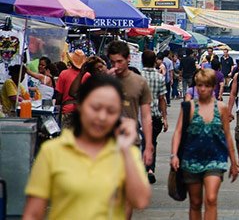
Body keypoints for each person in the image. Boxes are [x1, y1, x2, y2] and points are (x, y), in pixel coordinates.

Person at [22, 75, 151, 219]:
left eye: (111, 111)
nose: (102, 117)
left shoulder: (127, 153)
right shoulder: (53, 151)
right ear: (80, 105)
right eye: (95, 107)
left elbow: (140, 200)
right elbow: (33, 213)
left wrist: (125, 149)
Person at [171, 69, 238, 220]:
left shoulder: (221, 108)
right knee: (195, 202)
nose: (203, 89)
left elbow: (227, 135)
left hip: (215, 159)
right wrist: (174, 154)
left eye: (207, 86)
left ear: (213, 87)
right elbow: (178, 132)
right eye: (200, 85)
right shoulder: (188, 107)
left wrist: (234, 162)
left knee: (211, 198)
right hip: (191, 159)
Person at [106, 41, 153, 169]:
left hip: (131, 141)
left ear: (128, 59)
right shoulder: (105, 81)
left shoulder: (140, 82)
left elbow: (146, 116)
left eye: (120, 61)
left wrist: (148, 145)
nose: (116, 66)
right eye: (113, 62)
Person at [140, 50, 168, 185]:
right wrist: (165, 118)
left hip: (140, 114)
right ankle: (150, 169)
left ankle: (145, 168)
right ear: (154, 61)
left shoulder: (138, 77)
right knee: (152, 142)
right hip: (155, 115)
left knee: (144, 142)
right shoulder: (160, 77)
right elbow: (162, 99)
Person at [55, 50, 90, 129]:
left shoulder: (64, 74)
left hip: (67, 110)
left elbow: (59, 95)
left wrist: (57, 109)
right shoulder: (87, 75)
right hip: (82, 110)